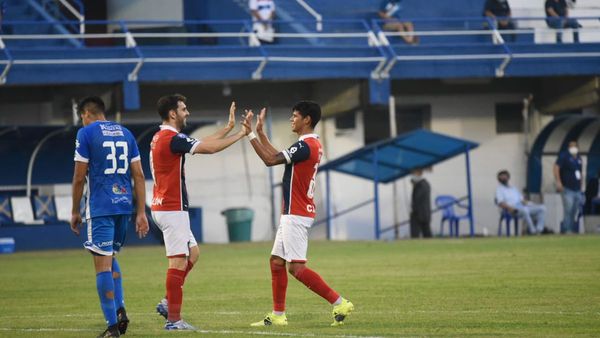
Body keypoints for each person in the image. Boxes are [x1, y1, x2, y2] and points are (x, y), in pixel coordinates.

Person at [243, 102, 354, 327]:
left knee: (297, 268)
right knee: (276, 262)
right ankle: (278, 315)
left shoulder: (305, 145)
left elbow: (270, 160)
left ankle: (340, 302)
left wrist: (250, 135)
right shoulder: (309, 145)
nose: (292, 119)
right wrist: (262, 134)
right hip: (294, 212)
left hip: (296, 213)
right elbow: (276, 155)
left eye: (295, 116)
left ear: (307, 120)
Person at [151, 94, 249, 331]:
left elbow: (201, 141)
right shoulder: (171, 138)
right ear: (173, 113)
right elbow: (210, 148)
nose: (188, 113)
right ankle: (174, 320)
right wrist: (242, 134)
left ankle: (168, 301)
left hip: (165, 205)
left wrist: (227, 128)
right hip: (172, 207)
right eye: (184, 109)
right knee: (177, 262)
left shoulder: (163, 136)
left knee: (192, 254)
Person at [70, 96, 149, 338]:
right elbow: (139, 176)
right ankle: (120, 310)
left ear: (85, 114)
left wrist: (74, 210)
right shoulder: (126, 134)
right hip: (124, 207)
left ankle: (112, 328)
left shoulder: (86, 134)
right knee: (109, 257)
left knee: (101, 265)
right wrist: (141, 212)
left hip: (101, 207)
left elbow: (79, 178)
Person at [495, 170, 549, 235]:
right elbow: (500, 203)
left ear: (508, 177)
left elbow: (522, 200)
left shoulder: (514, 188)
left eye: (505, 176)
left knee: (542, 208)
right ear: (499, 179)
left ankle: (539, 230)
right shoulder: (499, 189)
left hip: (521, 207)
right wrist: (510, 208)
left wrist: (532, 204)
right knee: (525, 210)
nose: (503, 178)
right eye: (501, 177)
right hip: (511, 209)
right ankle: (533, 231)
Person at [553, 141, 584, 233]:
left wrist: (581, 185)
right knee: (568, 208)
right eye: (571, 146)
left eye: (575, 146)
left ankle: (571, 227)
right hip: (567, 188)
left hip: (577, 188)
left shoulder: (579, 158)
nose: (573, 148)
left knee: (575, 209)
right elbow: (556, 167)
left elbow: (580, 172)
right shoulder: (564, 156)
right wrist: (558, 182)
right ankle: (567, 229)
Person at [409, 168, 432, 238]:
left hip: (419, 214)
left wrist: (414, 186)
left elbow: (417, 198)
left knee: (416, 234)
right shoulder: (425, 184)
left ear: (419, 173)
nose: (412, 175)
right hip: (425, 213)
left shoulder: (421, 185)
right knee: (426, 232)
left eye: (413, 173)